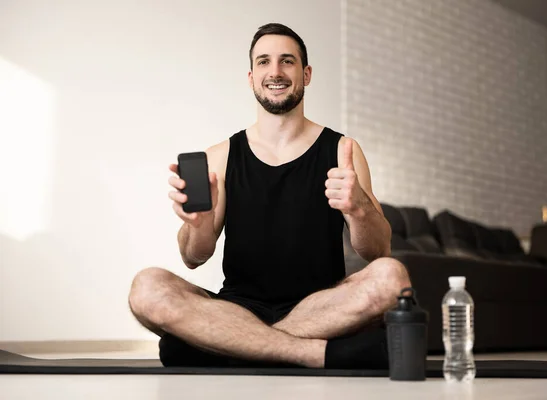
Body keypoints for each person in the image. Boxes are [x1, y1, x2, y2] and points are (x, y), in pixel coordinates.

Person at [128, 22, 411, 369]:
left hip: (320, 307)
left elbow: (378, 251)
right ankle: (312, 353)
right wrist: (198, 225)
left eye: (287, 61)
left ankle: (229, 344)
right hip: (236, 307)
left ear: (306, 74)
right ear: (251, 77)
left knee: (392, 277)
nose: (274, 71)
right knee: (147, 288)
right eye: (263, 62)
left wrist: (359, 208)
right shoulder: (220, 155)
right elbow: (192, 257)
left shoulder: (343, 151)